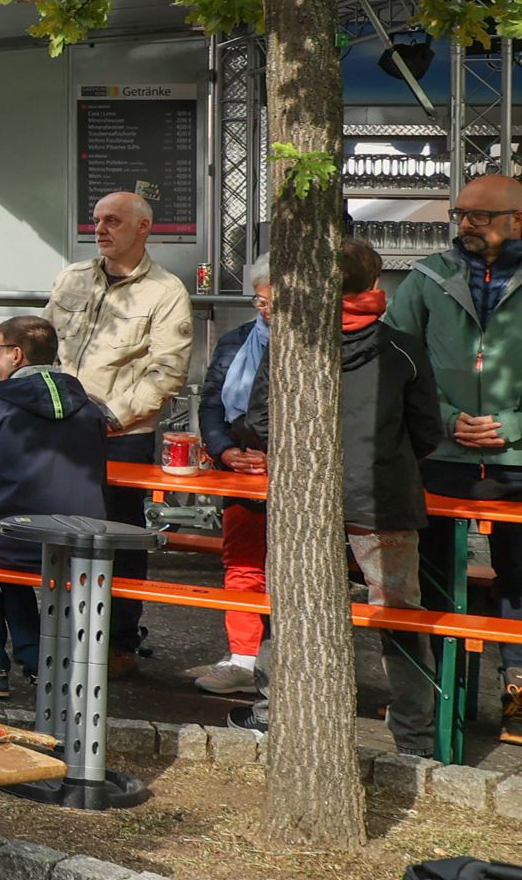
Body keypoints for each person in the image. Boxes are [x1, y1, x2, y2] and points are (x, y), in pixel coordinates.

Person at [238, 239, 442, 751]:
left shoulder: (290, 343)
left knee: (292, 605)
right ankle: (416, 735)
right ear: (376, 286)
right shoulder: (402, 349)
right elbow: (427, 431)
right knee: (400, 617)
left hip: (302, 504)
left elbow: (260, 420)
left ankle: (272, 711)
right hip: (383, 500)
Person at [387, 173, 522, 744]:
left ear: (518, 220)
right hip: (441, 457)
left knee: (520, 581)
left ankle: (516, 691)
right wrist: (445, 419)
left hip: (516, 462)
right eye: (459, 214)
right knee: (432, 585)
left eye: (479, 216)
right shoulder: (427, 278)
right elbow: (395, 361)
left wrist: (513, 426)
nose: (464, 225)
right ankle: (433, 704)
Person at [44, 190, 193, 669]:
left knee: (117, 539)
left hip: (119, 435)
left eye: (113, 221)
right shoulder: (72, 277)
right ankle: (58, 634)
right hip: (59, 428)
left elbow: (167, 370)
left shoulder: (165, 291)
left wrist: (112, 416)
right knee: (58, 532)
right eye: (96, 219)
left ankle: (119, 643)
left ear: (143, 228)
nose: (101, 229)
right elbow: (46, 345)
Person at [0, 315, 108, 699]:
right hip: (80, 540)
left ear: (16, 356)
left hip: (16, 541)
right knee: (2, 543)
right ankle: (37, 661)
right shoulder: (91, 408)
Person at [194, 256, 272, 696]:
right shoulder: (235, 342)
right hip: (240, 474)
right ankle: (242, 657)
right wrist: (225, 450)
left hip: (297, 477)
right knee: (242, 564)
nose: (265, 310)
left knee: (287, 571)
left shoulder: (325, 345)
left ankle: (277, 662)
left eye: (273, 302)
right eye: (260, 300)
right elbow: (210, 404)